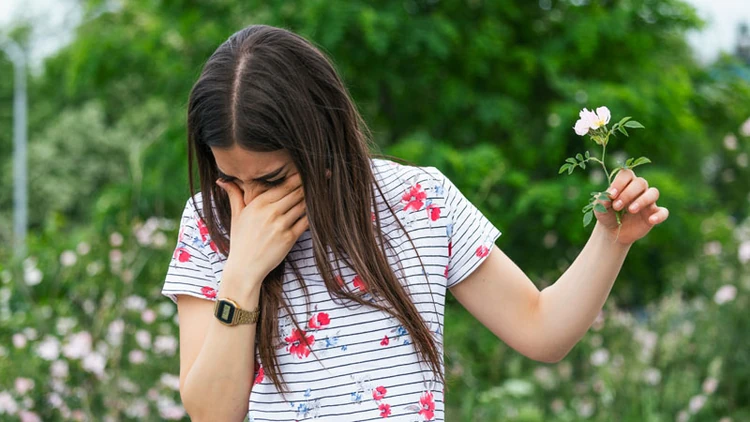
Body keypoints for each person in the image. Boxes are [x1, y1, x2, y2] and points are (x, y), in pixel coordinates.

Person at [161, 25, 669, 422]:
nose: (249, 203)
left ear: (320, 140)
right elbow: (211, 413)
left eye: (271, 180)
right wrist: (242, 274)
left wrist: (610, 239)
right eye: (232, 180)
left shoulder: (418, 198)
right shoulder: (209, 223)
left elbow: (541, 329)